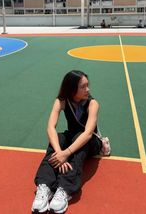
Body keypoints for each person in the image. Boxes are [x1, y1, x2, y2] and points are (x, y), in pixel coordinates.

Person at [32, 70, 102, 213]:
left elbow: (88, 133)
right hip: (72, 138)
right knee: (57, 138)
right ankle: (45, 186)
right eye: (83, 86)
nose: (87, 89)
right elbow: (50, 127)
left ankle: (64, 189)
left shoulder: (92, 103)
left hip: (91, 142)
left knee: (79, 139)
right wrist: (59, 152)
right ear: (71, 89)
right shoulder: (61, 101)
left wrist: (66, 153)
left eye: (87, 85)